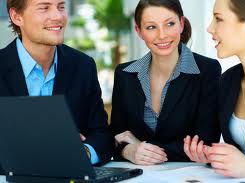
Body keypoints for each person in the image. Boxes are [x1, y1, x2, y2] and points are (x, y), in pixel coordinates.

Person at [0, 0, 113, 167]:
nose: (58, 16)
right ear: (17, 16)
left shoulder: (83, 66)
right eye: (44, 8)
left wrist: (84, 153)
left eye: (61, 7)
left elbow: (102, 134)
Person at [110, 0, 221, 165]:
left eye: (170, 24)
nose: (162, 35)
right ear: (138, 31)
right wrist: (127, 150)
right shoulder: (125, 74)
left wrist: (139, 147)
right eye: (151, 27)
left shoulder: (207, 70)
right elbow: (117, 138)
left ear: (181, 24)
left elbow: (205, 144)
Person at [184, 0, 245, 182]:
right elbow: (240, 158)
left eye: (219, 19)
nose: (210, 28)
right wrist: (212, 157)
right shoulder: (228, 82)